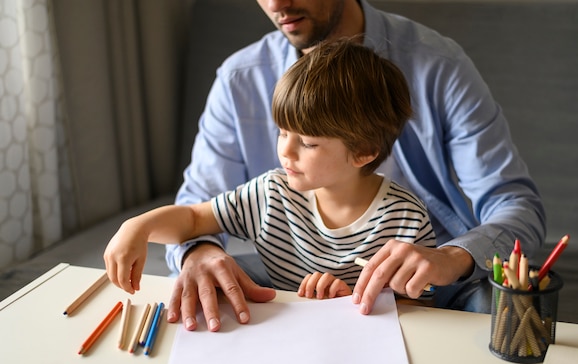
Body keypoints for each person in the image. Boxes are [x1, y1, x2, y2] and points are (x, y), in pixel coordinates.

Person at [165, 0, 546, 330]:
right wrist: (200, 253)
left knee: (494, 308)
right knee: (209, 281)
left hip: (427, 276)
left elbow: (516, 209)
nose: (277, 4)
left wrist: (451, 257)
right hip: (299, 269)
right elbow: (198, 206)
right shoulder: (239, 80)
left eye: (309, 142)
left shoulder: (438, 65)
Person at [104, 40, 437, 332]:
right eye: (282, 132)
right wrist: (139, 227)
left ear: (363, 152)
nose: (285, 151)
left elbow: (423, 313)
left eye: (307, 143)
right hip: (282, 343)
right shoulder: (271, 194)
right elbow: (192, 219)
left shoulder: (405, 219)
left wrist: (349, 303)